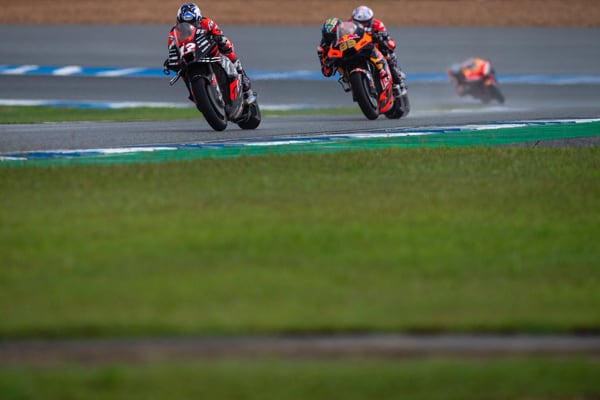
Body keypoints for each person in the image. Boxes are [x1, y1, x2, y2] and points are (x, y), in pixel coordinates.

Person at [163, 3, 255, 103]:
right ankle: (193, 92)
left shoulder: (207, 23)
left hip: (207, 49)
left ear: (198, 19)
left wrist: (219, 38)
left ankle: (242, 76)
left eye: (192, 23)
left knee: (227, 45)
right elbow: (172, 47)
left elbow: (219, 33)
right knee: (181, 69)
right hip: (189, 55)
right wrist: (171, 60)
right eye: (184, 23)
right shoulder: (174, 32)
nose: (188, 26)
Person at [350, 5, 407, 96]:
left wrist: (382, 39)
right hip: (359, 48)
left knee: (388, 50)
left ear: (370, 20)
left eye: (365, 22)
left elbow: (388, 40)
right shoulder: (349, 25)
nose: (363, 25)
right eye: (360, 22)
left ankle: (397, 75)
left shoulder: (377, 24)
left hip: (374, 47)